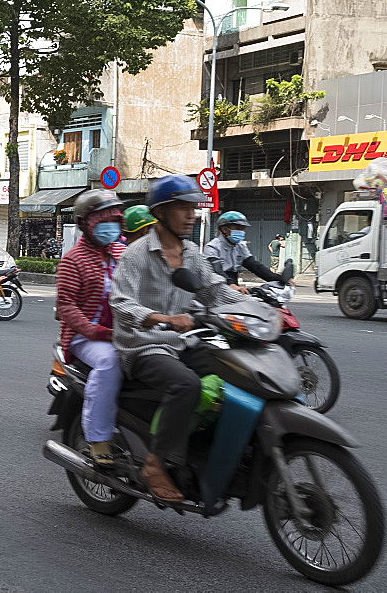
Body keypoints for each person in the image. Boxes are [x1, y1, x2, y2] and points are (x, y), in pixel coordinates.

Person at [110, 174, 247, 502]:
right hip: (143, 344)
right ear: (161, 212)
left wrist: (256, 305)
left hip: (181, 342)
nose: (192, 214)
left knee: (236, 372)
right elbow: (120, 301)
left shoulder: (190, 253)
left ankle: (207, 450)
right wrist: (162, 318)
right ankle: (155, 463)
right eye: (182, 208)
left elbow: (213, 290)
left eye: (193, 208)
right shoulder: (137, 253)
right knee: (187, 384)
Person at [57, 190, 126, 467]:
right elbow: (66, 306)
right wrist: (95, 331)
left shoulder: (124, 254)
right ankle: (97, 438)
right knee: (110, 362)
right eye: (103, 221)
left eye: (114, 221)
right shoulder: (73, 260)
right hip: (85, 338)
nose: (110, 227)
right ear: (86, 224)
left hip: (127, 333)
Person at [204, 211, 288, 285]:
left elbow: (256, 267)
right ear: (224, 229)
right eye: (237, 228)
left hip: (233, 286)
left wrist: (279, 279)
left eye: (242, 229)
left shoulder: (240, 247)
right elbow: (217, 270)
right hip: (216, 287)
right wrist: (231, 285)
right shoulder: (212, 247)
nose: (241, 232)